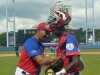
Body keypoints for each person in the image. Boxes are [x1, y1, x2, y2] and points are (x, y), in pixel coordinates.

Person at [48, 10, 84, 75]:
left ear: (58, 26)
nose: (52, 31)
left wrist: (58, 73)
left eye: (53, 29)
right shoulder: (63, 38)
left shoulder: (68, 38)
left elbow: (76, 62)